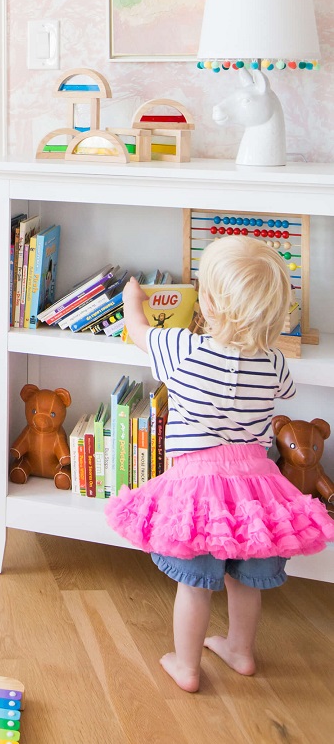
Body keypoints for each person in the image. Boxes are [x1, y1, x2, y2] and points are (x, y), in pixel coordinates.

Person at [106, 236, 334, 693]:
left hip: (199, 489)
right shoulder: (272, 362)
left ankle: (187, 666)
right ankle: (240, 651)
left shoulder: (182, 349)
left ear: (205, 304)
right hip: (256, 488)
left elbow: (135, 330)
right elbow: (286, 394)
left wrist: (134, 299)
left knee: (195, 584)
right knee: (246, 581)